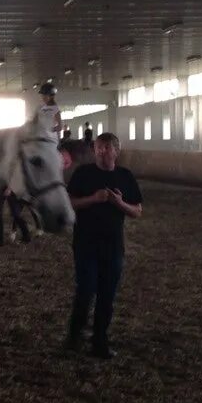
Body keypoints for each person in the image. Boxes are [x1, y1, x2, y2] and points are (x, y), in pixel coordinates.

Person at [65, 133, 142, 359]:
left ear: (116, 151)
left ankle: (100, 341)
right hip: (85, 242)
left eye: (107, 148)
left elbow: (137, 211)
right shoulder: (83, 174)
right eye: (98, 147)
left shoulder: (125, 177)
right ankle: (74, 335)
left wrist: (119, 203)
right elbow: (70, 202)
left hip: (113, 244)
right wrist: (93, 199)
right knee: (86, 290)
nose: (101, 151)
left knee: (107, 295)